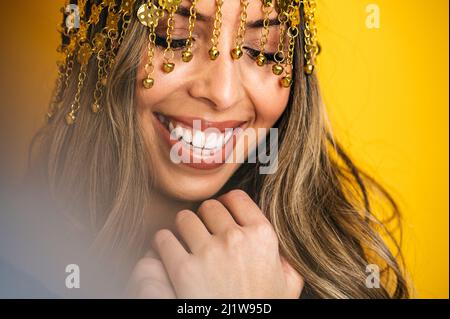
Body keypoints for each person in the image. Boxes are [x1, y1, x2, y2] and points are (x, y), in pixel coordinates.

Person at [24, 0, 409, 298]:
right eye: (173, 39)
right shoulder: (21, 258)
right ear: (101, 47)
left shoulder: (339, 277)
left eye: (264, 50)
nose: (222, 94)